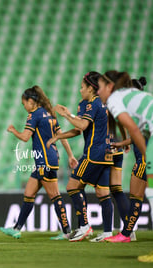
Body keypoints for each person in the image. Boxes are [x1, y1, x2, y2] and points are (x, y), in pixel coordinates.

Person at [0, 85, 76, 240]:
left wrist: (13, 130)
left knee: (54, 195)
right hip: (50, 158)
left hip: (44, 161)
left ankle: (67, 231)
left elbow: (25, 137)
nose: (24, 107)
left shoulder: (34, 115)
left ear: (31, 101)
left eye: (24, 104)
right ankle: (16, 228)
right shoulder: (50, 114)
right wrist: (70, 155)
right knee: (28, 194)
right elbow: (61, 136)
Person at [49, 71, 114, 242]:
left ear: (91, 89)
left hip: (94, 154)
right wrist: (59, 136)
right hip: (107, 154)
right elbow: (79, 129)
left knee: (72, 186)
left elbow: (82, 125)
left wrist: (66, 114)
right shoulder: (96, 103)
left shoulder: (94, 104)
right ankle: (107, 232)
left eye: (82, 87)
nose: (80, 90)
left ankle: (85, 226)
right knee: (102, 192)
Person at [96, 71, 152, 243]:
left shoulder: (115, 99)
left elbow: (135, 131)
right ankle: (126, 234)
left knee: (148, 194)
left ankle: (126, 234)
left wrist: (148, 157)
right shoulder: (134, 96)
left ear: (110, 86)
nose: (97, 92)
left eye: (99, 87)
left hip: (146, 152)